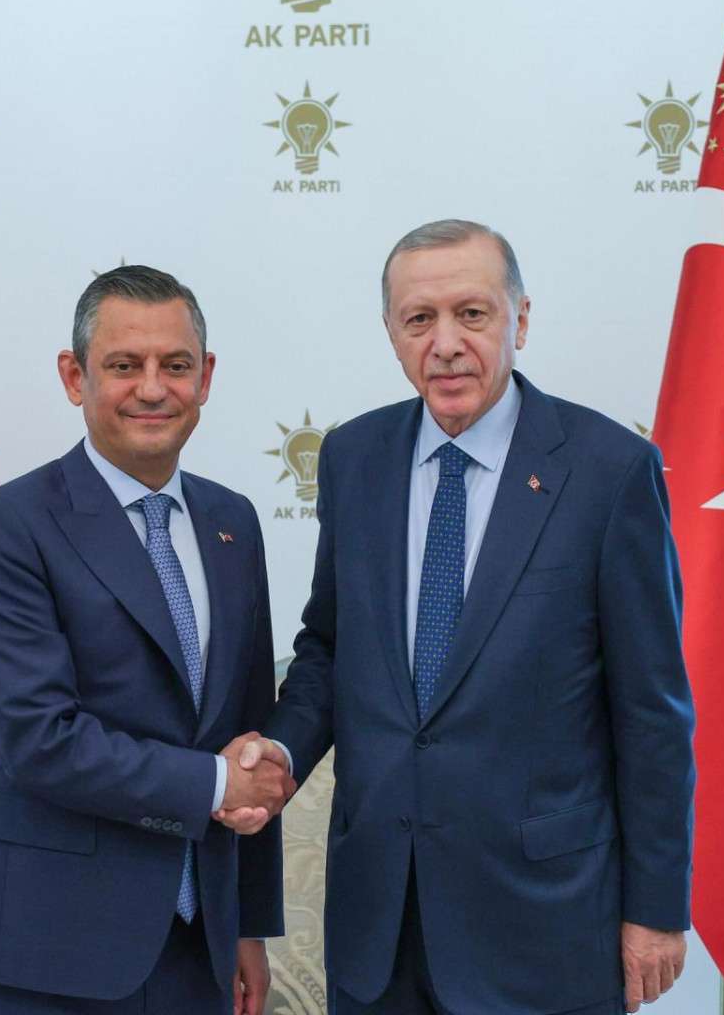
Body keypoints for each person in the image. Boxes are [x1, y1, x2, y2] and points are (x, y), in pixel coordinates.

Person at [220, 221, 696, 1015]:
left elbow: (653, 713)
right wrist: (281, 749)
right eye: (419, 319)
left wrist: (656, 909)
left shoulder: (610, 472)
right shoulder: (353, 458)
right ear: (391, 333)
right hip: (379, 924)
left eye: (472, 314)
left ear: (521, 319)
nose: (445, 344)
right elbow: (331, 648)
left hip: (544, 927)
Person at [0, 265, 291, 1014]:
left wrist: (248, 922)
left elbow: (247, 732)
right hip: (54, 946)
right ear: (75, 377)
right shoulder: (6, 526)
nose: (153, 388)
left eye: (176, 365)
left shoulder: (232, 522)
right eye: (124, 365)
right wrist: (213, 786)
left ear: (206, 377)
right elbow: (40, 739)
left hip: (201, 944)